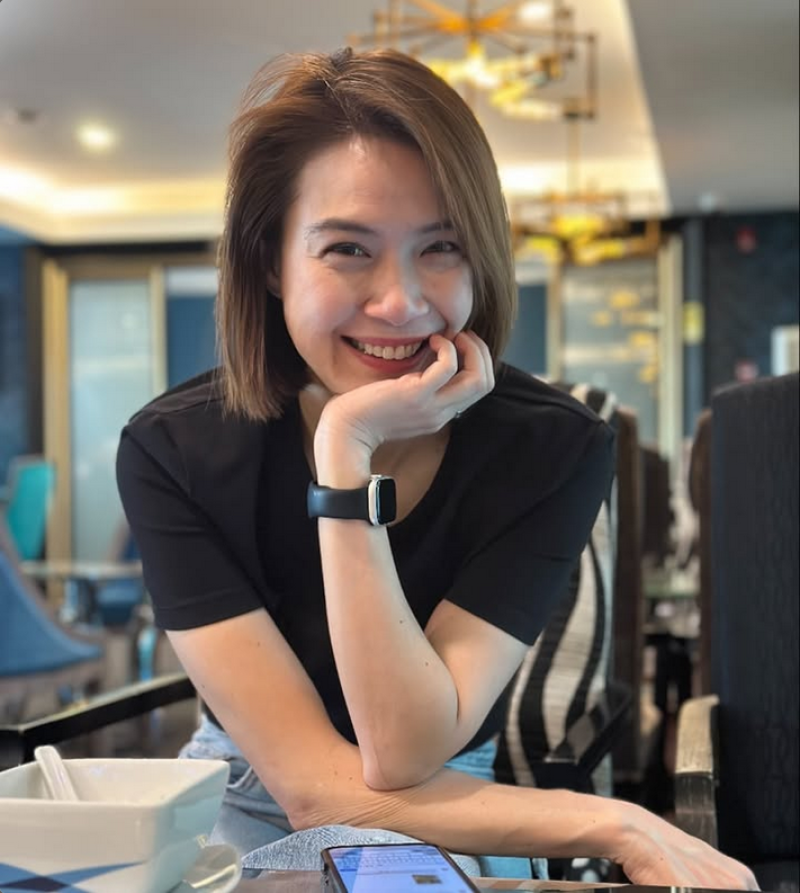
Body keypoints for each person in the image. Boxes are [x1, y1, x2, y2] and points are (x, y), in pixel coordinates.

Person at [116, 47, 756, 887]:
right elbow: (310, 789)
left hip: (449, 793)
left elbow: (403, 748)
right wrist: (614, 819)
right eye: (349, 248)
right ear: (270, 260)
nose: (401, 302)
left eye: (442, 247)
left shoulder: (553, 447)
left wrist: (344, 461)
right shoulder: (173, 451)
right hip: (244, 791)